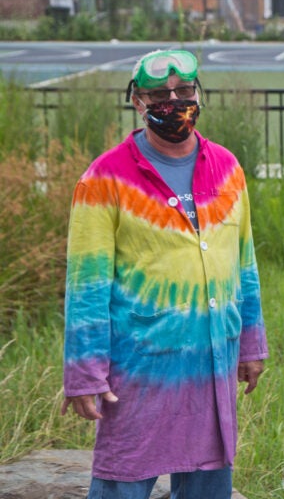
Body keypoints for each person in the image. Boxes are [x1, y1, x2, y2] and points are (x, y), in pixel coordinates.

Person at [61, 49, 268, 499]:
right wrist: (83, 373)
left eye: (184, 91)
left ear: (199, 94)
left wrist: (251, 345)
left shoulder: (228, 168)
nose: (173, 102)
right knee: (123, 483)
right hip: (139, 373)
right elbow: (87, 285)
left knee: (208, 483)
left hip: (212, 364)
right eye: (158, 94)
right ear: (137, 101)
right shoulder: (104, 179)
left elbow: (244, 266)